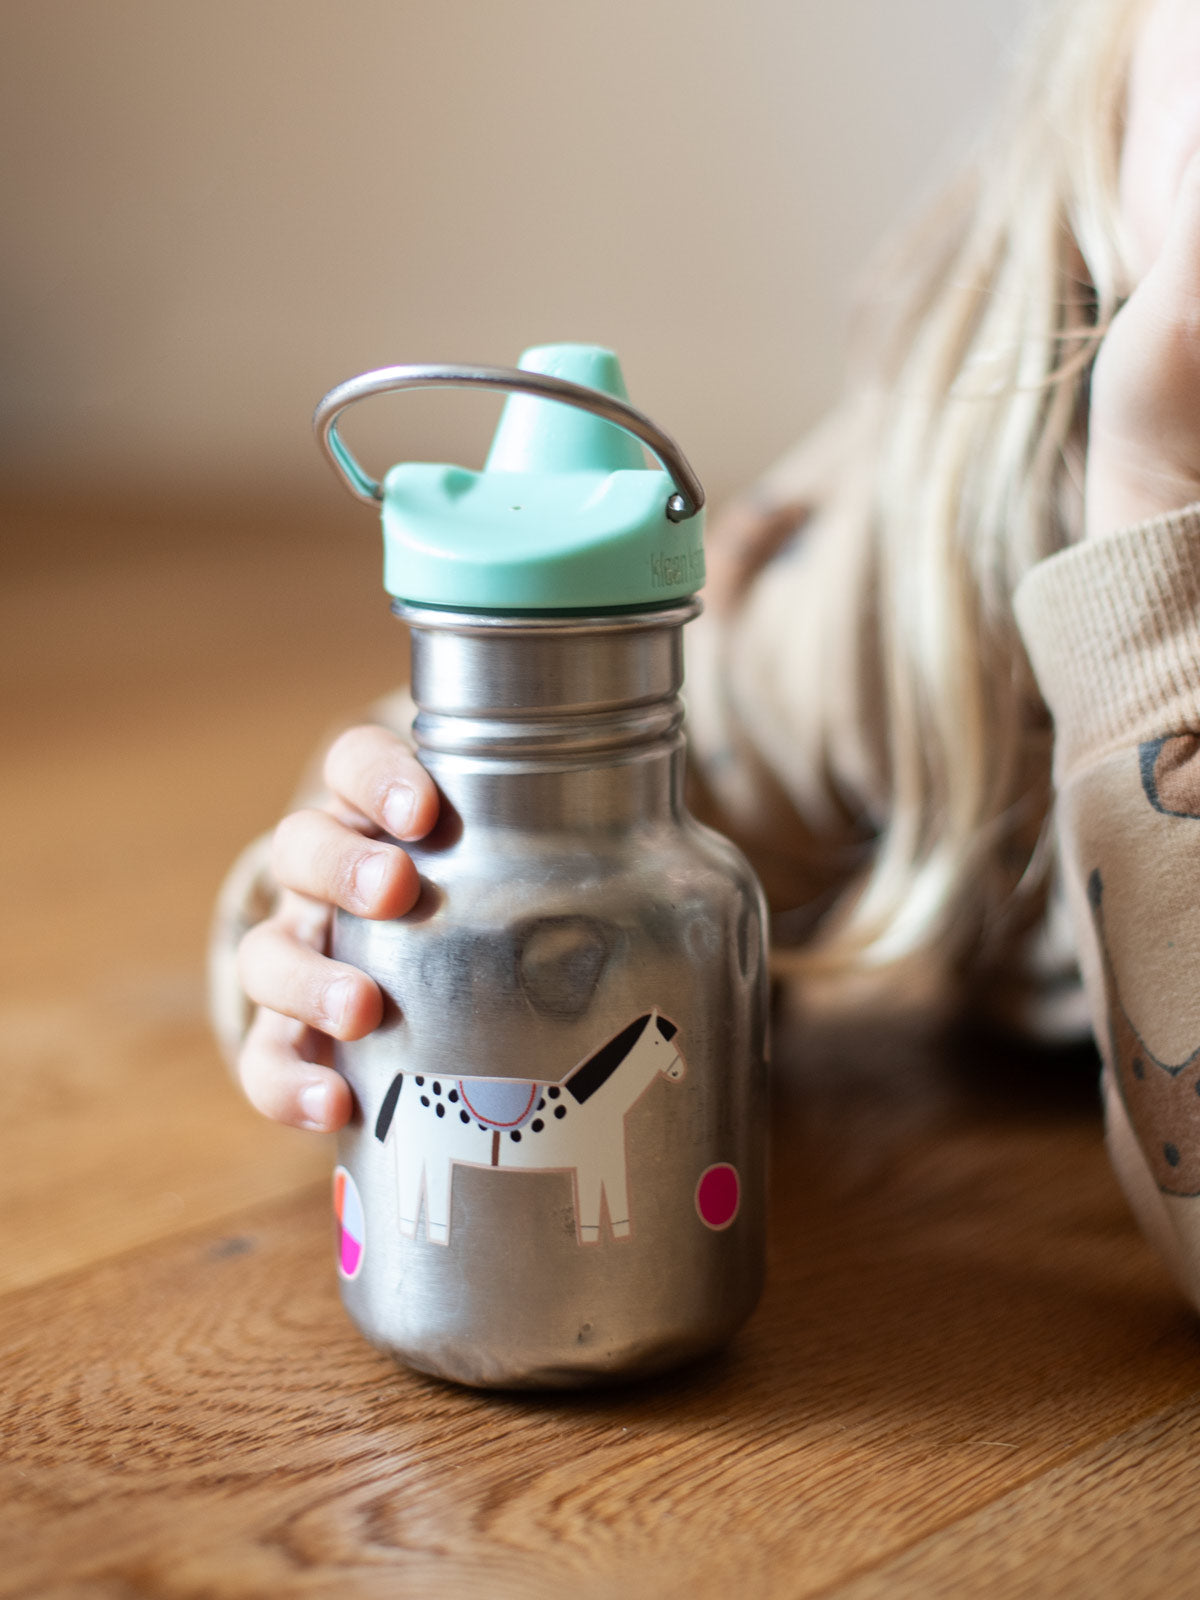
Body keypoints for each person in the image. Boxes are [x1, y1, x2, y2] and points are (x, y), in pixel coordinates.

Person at [212, 0, 1200, 1306]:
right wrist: (332, 929)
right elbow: (554, 854)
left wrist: (1157, 464)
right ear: (1106, 124)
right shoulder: (917, 573)